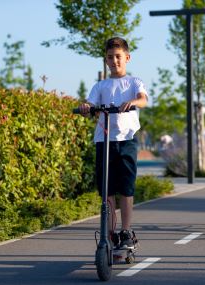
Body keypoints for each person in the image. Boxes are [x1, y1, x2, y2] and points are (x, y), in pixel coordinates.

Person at [78, 37, 148, 250]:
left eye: (118, 57)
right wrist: (86, 107)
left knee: (126, 188)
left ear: (127, 58)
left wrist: (133, 102)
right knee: (106, 189)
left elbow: (143, 99)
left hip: (126, 139)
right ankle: (108, 233)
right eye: (110, 57)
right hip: (104, 139)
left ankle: (126, 231)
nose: (114, 61)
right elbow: (91, 102)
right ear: (106, 60)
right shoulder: (100, 85)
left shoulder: (134, 82)